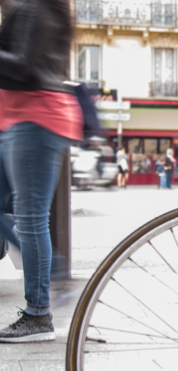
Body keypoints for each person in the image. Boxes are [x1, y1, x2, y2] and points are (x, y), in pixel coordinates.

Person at [0, 0, 81, 342]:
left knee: (30, 217)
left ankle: (38, 314)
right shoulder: (36, 9)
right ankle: (53, 277)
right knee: (20, 211)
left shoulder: (38, 10)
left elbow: (22, 67)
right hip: (24, 119)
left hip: (35, 119)